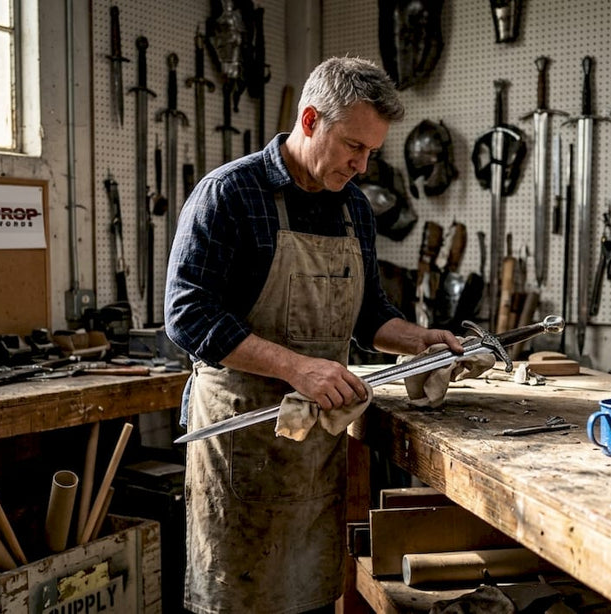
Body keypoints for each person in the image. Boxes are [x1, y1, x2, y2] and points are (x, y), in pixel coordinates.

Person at [164, 56, 465, 614]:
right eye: (354, 146)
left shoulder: (354, 208)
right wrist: (296, 368)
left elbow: (369, 314)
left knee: (310, 599)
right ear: (309, 121)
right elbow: (187, 313)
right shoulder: (229, 193)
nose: (362, 165)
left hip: (314, 455)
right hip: (242, 442)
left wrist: (419, 340)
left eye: (372, 152)